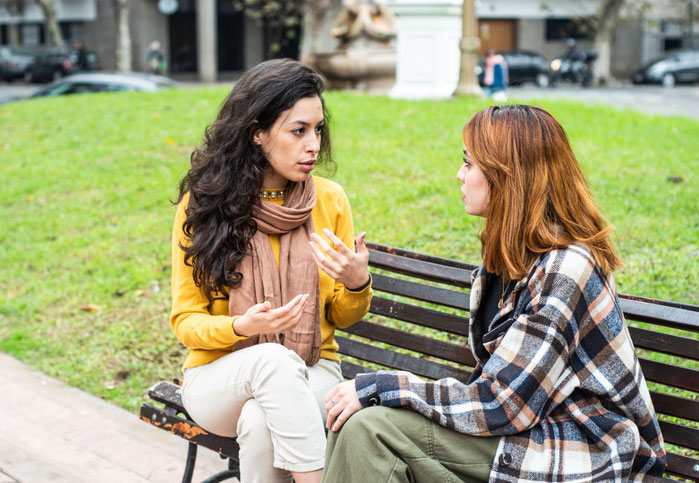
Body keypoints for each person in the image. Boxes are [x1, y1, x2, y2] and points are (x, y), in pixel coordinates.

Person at [322, 104, 666, 482]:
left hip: (580, 451)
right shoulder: (508, 256)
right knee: (355, 424)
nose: (459, 175)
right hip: (523, 434)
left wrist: (385, 386)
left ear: (507, 175)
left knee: (368, 428)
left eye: (469, 164)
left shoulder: (567, 268)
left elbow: (505, 402)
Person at [171, 58, 372, 483]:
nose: (314, 144)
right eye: (298, 130)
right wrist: (240, 327)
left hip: (314, 369)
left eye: (318, 130)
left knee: (263, 421)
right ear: (257, 132)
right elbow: (186, 322)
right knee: (272, 362)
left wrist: (357, 284)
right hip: (217, 375)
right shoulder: (205, 206)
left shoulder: (329, 201)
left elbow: (340, 316)